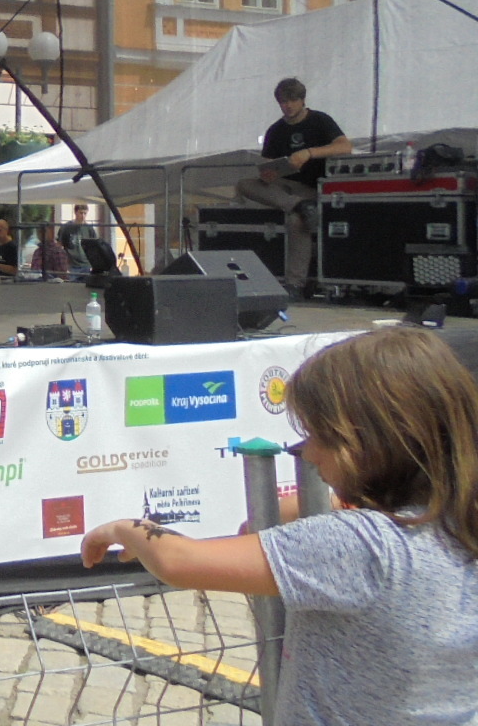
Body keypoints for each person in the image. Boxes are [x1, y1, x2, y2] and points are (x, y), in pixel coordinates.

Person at [81, 327, 478, 725]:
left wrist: (124, 528)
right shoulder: (459, 523)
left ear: (373, 442)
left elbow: (178, 561)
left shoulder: (363, 545)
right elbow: (255, 530)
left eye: (318, 436)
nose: (307, 452)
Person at [235, 78, 352, 295]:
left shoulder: (320, 120)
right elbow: (267, 164)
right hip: (283, 187)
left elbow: (345, 147)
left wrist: (309, 153)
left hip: (312, 187)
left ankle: (295, 283)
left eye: (292, 100)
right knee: (244, 184)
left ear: (302, 100)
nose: (287, 106)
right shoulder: (275, 130)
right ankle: (300, 205)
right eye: (283, 102)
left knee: (296, 221)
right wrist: (269, 173)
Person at [57, 203, 96, 274]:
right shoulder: (66, 227)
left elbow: (94, 247)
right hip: (71, 265)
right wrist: (62, 263)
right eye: (81, 213)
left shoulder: (89, 229)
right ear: (75, 212)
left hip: (86, 265)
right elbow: (59, 245)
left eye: (85, 213)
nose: (83, 216)